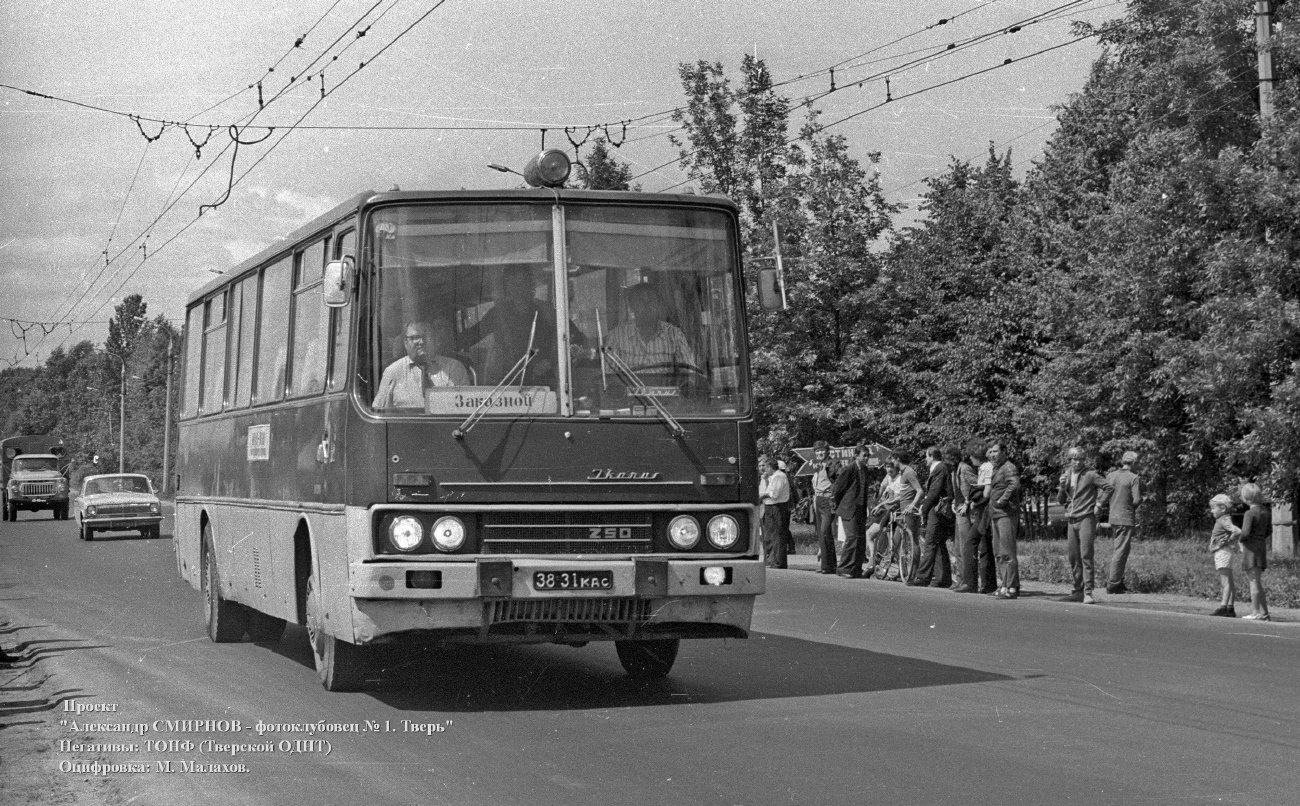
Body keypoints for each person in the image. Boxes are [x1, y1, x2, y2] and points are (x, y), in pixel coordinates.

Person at [460, 266, 562, 385]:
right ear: (507, 286)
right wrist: (444, 344)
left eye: (523, 283)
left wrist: (550, 361)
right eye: (513, 283)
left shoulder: (547, 312)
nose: (518, 289)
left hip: (542, 384)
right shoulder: (498, 313)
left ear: (531, 285)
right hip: (507, 385)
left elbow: (571, 340)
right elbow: (471, 336)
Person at [605, 282, 700, 381]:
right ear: (631, 306)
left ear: (659, 304)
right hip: (632, 395)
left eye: (651, 300)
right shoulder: (616, 336)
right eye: (641, 301)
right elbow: (608, 376)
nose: (647, 306)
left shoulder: (674, 334)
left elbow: (690, 373)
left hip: (666, 394)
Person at [372, 320, 472, 409]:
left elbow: (467, 409)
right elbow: (378, 411)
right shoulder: (393, 371)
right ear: (405, 342)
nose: (421, 342)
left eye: (427, 336)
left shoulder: (454, 368)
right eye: (415, 337)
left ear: (434, 340)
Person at [1055, 446, 1110, 604]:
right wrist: (1062, 487)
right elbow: (1060, 500)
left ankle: (1088, 592)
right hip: (1071, 518)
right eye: (1074, 459)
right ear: (1069, 460)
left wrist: (1099, 504)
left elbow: (1108, 487)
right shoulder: (1066, 474)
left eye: (1080, 459)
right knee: (1073, 556)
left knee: (1086, 554)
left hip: (1086, 517)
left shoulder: (1090, 474)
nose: (1077, 462)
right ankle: (1077, 590)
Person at [910, 445, 955, 587]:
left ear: (931, 456)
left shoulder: (939, 468)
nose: (925, 459)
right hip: (938, 510)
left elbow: (934, 491)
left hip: (937, 510)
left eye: (926, 456)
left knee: (930, 542)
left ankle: (922, 577)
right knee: (939, 543)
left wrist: (924, 508)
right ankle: (943, 579)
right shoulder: (939, 468)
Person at [1099, 451, 1142, 594]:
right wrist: (1135, 504)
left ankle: (1118, 581)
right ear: (1134, 462)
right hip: (1126, 517)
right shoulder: (1133, 478)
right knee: (1121, 551)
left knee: (1120, 550)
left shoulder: (1111, 476)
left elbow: (1102, 495)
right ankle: (1113, 584)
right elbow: (1136, 500)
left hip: (1113, 517)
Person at [832, 442, 872, 578]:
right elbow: (837, 488)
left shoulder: (865, 470)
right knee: (852, 537)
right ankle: (844, 568)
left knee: (861, 539)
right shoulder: (849, 468)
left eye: (868, 456)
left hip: (860, 508)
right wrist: (839, 505)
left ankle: (856, 568)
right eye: (864, 455)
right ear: (856, 456)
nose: (866, 458)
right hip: (849, 508)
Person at [987, 441, 1022, 599]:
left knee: (1007, 552)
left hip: (1006, 514)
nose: (992, 454)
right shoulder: (997, 468)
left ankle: (1012, 587)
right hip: (996, 514)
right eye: (991, 452)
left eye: (995, 451)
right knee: (999, 552)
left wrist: (1003, 500)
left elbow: (1014, 485)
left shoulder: (1008, 467)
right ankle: (1004, 585)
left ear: (1004, 451)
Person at [952, 439, 987, 593]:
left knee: (967, 545)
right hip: (959, 508)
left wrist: (968, 502)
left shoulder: (965, 469)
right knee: (959, 547)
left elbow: (977, 485)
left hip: (966, 511)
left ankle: (969, 581)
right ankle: (961, 579)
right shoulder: (955, 470)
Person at [1238, 483, 1271, 621]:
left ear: (1246, 498)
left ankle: (1255, 611)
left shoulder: (1249, 513)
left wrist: (1240, 540)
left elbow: (1245, 532)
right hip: (1261, 547)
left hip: (1250, 548)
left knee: (1253, 582)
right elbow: (1269, 531)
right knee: (1257, 581)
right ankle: (1264, 613)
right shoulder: (1265, 512)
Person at [809, 441, 841, 573]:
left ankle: (828, 566)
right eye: (817, 451)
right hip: (818, 499)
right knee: (823, 533)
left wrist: (834, 494)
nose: (819, 453)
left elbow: (840, 480)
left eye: (822, 450)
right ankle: (828, 565)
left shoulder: (833, 464)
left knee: (825, 531)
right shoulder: (819, 466)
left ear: (827, 451)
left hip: (828, 500)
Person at [1208, 493, 1240, 617]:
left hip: (1222, 552)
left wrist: (1229, 539)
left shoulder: (1223, 520)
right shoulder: (1224, 519)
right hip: (1225, 551)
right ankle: (1230, 607)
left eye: (1213, 508)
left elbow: (1237, 531)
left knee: (1225, 581)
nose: (1211, 511)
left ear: (1222, 508)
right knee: (1229, 581)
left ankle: (1223, 607)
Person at [759, 455, 792, 569]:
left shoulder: (779, 476)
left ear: (770, 467)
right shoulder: (773, 477)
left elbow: (774, 494)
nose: (765, 470)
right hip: (770, 507)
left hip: (777, 507)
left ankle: (779, 561)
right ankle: (773, 560)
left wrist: (763, 495)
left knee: (778, 534)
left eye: (766, 467)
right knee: (771, 534)